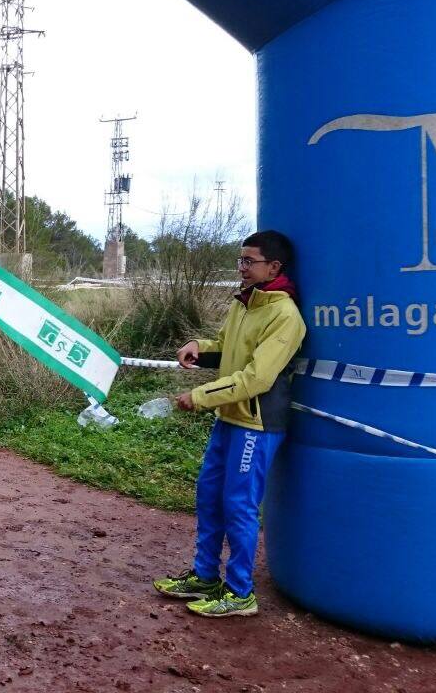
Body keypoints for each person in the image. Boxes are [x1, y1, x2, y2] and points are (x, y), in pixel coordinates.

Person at [152, 230, 306, 618]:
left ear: (274, 267)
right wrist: (198, 347)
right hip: (229, 418)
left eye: (249, 261)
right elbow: (224, 347)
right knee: (208, 495)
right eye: (240, 261)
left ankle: (240, 593)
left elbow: (257, 378)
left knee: (239, 504)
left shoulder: (285, 316)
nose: (242, 268)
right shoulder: (245, 304)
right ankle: (204, 576)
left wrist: (201, 397)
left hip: (256, 424)